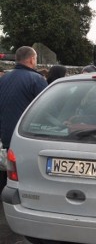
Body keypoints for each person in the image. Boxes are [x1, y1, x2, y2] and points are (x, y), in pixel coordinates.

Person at [0, 47, 47, 187]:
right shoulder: (37, 79)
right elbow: (46, 110)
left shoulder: (3, 79)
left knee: (6, 173)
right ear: (32, 59)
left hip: (5, 135)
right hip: (25, 136)